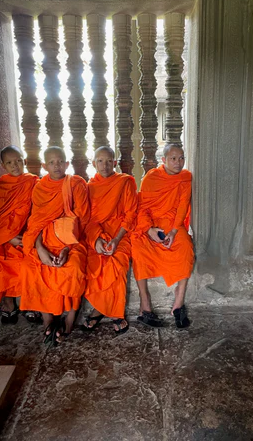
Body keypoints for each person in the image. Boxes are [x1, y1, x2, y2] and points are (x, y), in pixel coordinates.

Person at [20, 146, 90, 345]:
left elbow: (82, 221)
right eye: (51, 162)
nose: (56, 165)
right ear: (44, 166)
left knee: (74, 268)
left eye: (60, 161)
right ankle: (48, 319)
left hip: (73, 242)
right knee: (31, 267)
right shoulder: (40, 188)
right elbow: (36, 223)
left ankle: (69, 319)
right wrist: (40, 249)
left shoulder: (77, 184)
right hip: (43, 241)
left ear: (67, 164)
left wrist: (67, 249)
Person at [131, 144, 194, 329]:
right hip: (151, 223)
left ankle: (179, 301)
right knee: (138, 246)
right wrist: (149, 229)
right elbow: (143, 207)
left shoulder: (185, 177)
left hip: (173, 223)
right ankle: (145, 305)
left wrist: (174, 232)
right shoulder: (152, 177)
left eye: (181, 158)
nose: (178, 162)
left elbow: (182, 207)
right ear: (164, 160)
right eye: (173, 158)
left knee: (186, 247)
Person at [0, 145, 38, 324]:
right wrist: (7, 237)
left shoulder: (33, 182)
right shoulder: (1, 185)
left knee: (26, 263)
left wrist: (26, 235)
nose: (15, 166)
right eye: (10, 163)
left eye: (19, 161)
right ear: (3, 165)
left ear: (24, 161)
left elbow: (39, 212)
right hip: (5, 235)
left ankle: (29, 303)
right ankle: (9, 302)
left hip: (26, 233)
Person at [82, 146, 137, 335]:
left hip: (120, 234)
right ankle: (108, 310)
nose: (104, 165)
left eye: (108, 161)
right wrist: (96, 240)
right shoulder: (88, 188)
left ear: (115, 162)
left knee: (118, 263)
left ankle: (106, 312)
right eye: (100, 161)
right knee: (94, 262)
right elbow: (87, 219)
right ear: (93, 163)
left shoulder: (125, 183)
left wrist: (116, 239)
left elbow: (130, 215)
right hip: (96, 234)